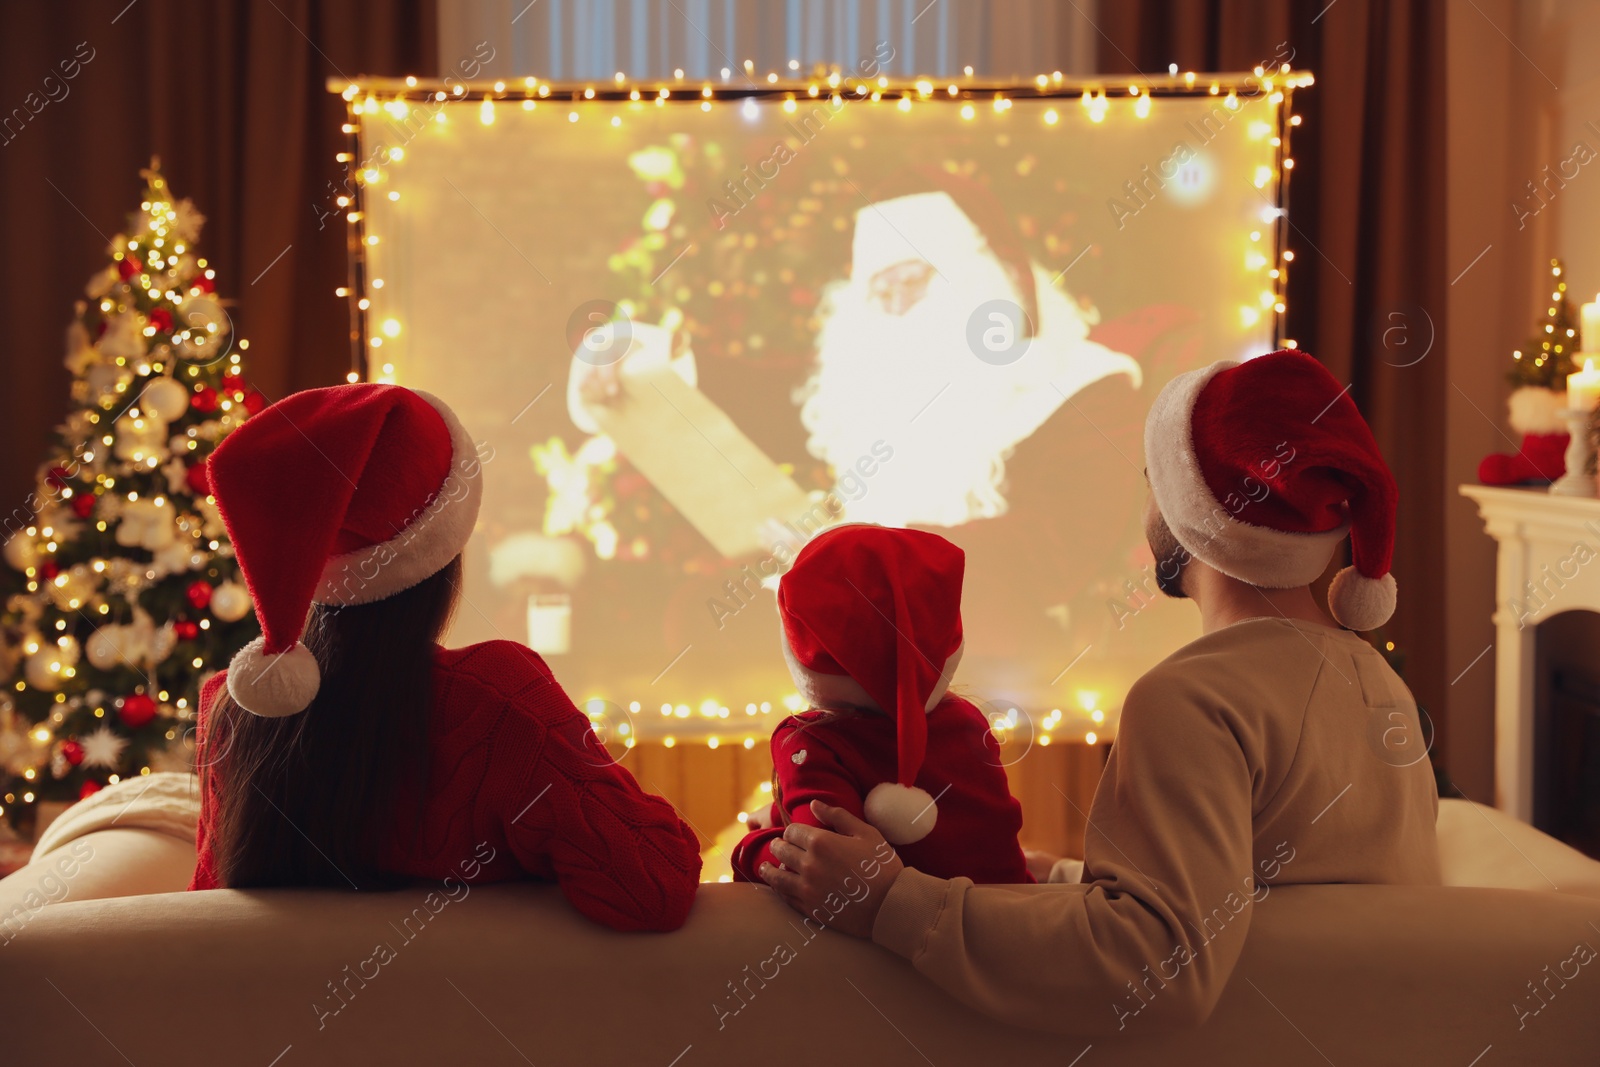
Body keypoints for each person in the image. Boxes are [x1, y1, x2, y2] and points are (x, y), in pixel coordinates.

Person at [756, 349, 1441, 1033]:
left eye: (1153, 481)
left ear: (1189, 508)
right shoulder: (1382, 688)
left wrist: (890, 901)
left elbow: (1156, 967)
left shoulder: (1191, 699)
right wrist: (1059, 883)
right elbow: (1265, 909)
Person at [190, 383, 701, 932]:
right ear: (444, 545)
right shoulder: (496, 697)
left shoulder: (235, 706)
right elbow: (655, 883)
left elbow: (211, 914)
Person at [729, 524, 1031, 885]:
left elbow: (821, 867)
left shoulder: (809, 740)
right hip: (1007, 918)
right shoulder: (969, 720)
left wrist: (750, 849)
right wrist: (782, 819)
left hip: (896, 939)